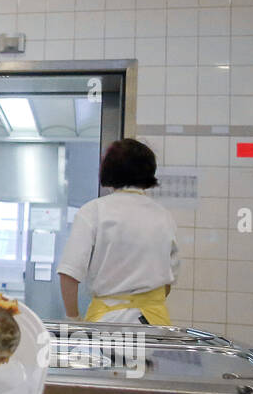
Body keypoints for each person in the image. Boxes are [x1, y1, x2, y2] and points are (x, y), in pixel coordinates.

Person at [56, 139, 179, 325]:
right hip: (155, 325)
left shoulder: (93, 211)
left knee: (102, 356)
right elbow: (168, 281)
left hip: (106, 324)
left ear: (107, 170)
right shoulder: (164, 216)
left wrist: (73, 319)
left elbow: (68, 273)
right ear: (149, 171)